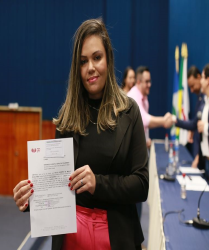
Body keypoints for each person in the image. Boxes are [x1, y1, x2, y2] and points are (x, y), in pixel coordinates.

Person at [13, 18, 149, 250]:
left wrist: (98, 183)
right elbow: (58, 188)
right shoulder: (67, 117)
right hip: (70, 237)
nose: (90, 68)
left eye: (97, 57)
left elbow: (141, 184)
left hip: (117, 235)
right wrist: (31, 201)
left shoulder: (129, 112)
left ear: (108, 58)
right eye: (83, 61)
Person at [127, 66, 172, 149]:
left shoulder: (144, 98)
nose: (149, 84)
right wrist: (164, 121)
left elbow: (144, 126)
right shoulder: (132, 97)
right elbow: (143, 120)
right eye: (147, 82)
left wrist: (146, 139)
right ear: (139, 82)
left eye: (150, 81)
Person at [170, 66, 204, 168]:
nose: (192, 90)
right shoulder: (201, 97)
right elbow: (197, 122)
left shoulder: (205, 98)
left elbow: (195, 124)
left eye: (193, 86)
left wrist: (175, 120)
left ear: (199, 77)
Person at [197, 64, 209, 179]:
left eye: (203, 77)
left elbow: (206, 127)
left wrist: (205, 127)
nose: (200, 81)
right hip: (205, 160)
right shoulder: (205, 101)